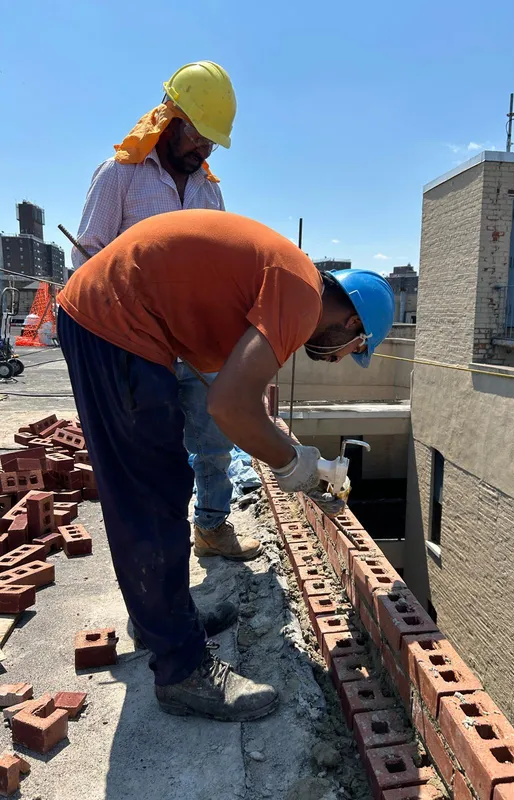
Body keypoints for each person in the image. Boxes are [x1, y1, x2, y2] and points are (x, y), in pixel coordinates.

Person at [57, 209, 395, 722]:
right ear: (351, 322)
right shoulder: (300, 297)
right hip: (114, 325)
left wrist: (268, 432)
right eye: (353, 349)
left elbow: (231, 389)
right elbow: (227, 408)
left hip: (114, 319)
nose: (338, 359)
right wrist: (297, 466)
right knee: (150, 495)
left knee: (163, 486)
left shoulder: (286, 277)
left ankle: (161, 624)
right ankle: (182, 670)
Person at [72, 61, 260, 562]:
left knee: (214, 441)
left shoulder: (208, 189)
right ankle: (161, 551)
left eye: (212, 142)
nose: (203, 149)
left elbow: (218, 261)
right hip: (139, 344)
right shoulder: (121, 177)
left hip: (196, 341)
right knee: (154, 453)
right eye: (198, 135)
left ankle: (212, 527)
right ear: (171, 118)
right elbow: (87, 255)